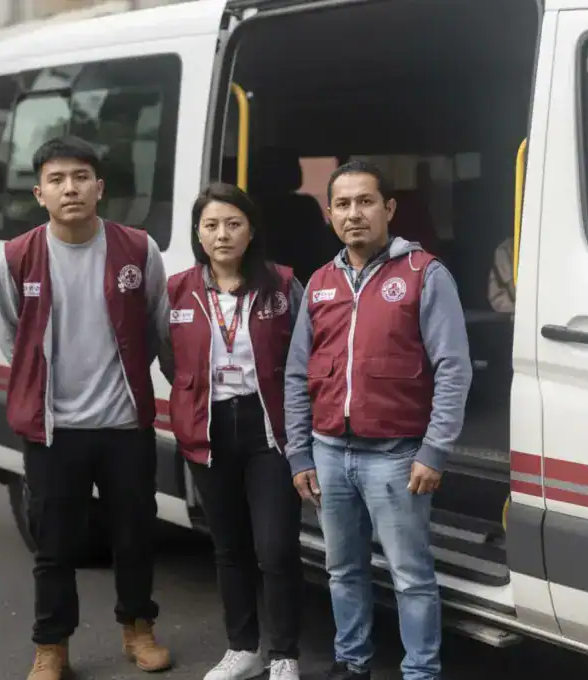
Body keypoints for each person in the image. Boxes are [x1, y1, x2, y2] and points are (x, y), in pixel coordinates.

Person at [284, 160, 473, 680]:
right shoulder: (320, 282)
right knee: (342, 570)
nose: (354, 214)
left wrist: (434, 450)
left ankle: (420, 672)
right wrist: (299, 453)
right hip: (328, 451)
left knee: (410, 576)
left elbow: (453, 368)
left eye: (365, 201)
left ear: (388, 208)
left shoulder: (424, 274)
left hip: (396, 455)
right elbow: (297, 372)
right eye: (342, 204)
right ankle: (353, 662)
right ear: (329, 214)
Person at [0, 135, 172, 680]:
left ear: (99, 186)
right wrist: (41, 388)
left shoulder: (138, 249)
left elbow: (158, 327)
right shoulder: (18, 256)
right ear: (39, 193)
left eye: (80, 177)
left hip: (124, 424)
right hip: (53, 429)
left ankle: (138, 628)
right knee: (53, 546)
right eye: (56, 179)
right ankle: (52, 646)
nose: (69, 188)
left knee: (134, 536)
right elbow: (13, 338)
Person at [165, 183, 305, 680]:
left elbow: (305, 354)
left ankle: (284, 655)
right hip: (208, 427)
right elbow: (168, 355)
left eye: (233, 223)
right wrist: (193, 395)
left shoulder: (283, 285)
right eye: (211, 225)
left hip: (269, 429)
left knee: (276, 548)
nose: (222, 234)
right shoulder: (177, 290)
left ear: (250, 231)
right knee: (228, 546)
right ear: (198, 234)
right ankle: (242, 649)